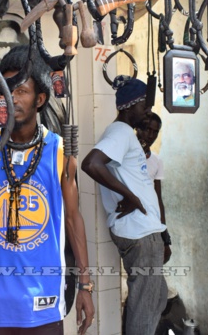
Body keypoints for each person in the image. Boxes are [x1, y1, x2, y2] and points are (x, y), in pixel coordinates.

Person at [0, 45, 94, 334]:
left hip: (44, 302)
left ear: (40, 99)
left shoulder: (60, 151)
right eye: (5, 90)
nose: (11, 99)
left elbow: (73, 219)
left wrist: (85, 285)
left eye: (20, 91)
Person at [81, 76, 169, 335]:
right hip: (140, 233)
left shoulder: (124, 134)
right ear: (131, 106)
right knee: (144, 310)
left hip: (144, 230)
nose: (148, 113)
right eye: (145, 107)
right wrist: (130, 196)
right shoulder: (120, 131)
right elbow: (91, 164)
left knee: (157, 297)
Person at [136, 112, 171, 264]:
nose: (150, 135)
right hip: (132, 225)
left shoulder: (156, 161)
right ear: (137, 129)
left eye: (155, 132)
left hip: (151, 224)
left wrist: (165, 236)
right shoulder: (127, 156)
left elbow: (158, 199)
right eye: (147, 129)